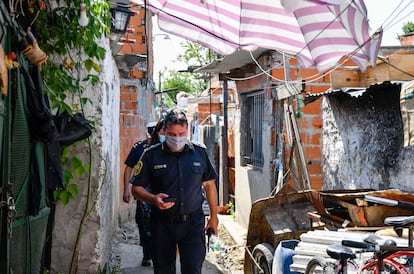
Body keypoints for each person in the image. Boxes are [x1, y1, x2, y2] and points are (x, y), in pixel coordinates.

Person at [131, 108, 218, 274]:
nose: (177, 138)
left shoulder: (199, 153)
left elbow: (209, 185)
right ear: (164, 131)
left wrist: (214, 217)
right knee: (163, 270)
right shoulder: (151, 155)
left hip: (193, 224)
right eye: (172, 134)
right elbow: (136, 188)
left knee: (193, 269)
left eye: (181, 133)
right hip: (162, 224)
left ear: (187, 130)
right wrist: (152, 199)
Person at [123, 120, 164, 267]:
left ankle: (159, 254)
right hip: (144, 194)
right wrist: (126, 189)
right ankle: (147, 254)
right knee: (144, 224)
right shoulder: (140, 148)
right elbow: (129, 167)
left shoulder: (166, 149)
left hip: (162, 193)